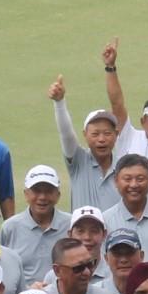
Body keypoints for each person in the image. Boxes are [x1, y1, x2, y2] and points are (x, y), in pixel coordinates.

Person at [52, 57, 124, 212]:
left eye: (107, 133)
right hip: (83, 236)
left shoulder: (124, 167)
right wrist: (59, 103)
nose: (101, 139)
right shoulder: (78, 161)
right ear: (85, 135)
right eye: (95, 134)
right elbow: (66, 134)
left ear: (116, 134)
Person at [0, 164, 69, 286]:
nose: (42, 197)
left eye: (48, 191)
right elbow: (3, 271)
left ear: (58, 195)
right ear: (26, 194)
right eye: (36, 191)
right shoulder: (10, 227)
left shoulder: (71, 224)